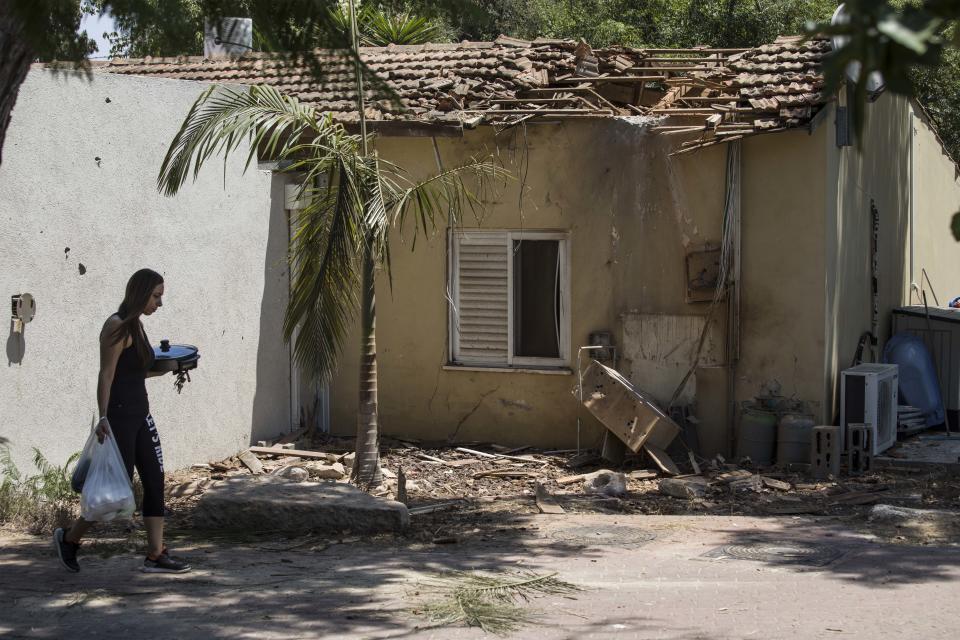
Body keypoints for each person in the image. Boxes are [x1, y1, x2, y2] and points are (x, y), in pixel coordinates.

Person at [53, 269, 191, 574]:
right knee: (115, 490)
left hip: (141, 415)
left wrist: (175, 366)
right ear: (140, 293)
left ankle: (156, 555)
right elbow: (107, 374)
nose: (160, 303)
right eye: (156, 296)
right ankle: (70, 540)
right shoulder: (116, 326)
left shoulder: (138, 327)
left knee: (155, 482)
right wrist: (102, 416)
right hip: (119, 418)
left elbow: (138, 372)